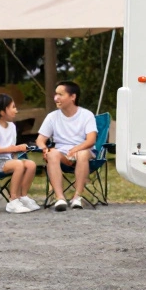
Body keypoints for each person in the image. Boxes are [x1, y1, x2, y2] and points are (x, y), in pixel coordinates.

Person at [36, 81, 97, 212]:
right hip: (62, 154)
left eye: (60, 94)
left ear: (72, 97)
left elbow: (91, 140)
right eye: (55, 94)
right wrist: (44, 148)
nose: (56, 98)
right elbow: (40, 140)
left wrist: (76, 149)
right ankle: (60, 198)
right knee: (52, 153)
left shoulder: (86, 115)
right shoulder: (52, 117)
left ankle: (77, 197)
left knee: (82, 153)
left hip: (83, 151)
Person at [0, 93, 39, 214]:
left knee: (31, 164)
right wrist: (15, 149)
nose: (16, 110)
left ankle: (22, 197)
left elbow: (12, 149)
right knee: (18, 165)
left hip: (8, 160)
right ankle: (13, 200)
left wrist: (18, 151)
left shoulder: (12, 127)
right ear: (3, 112)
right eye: (13, 107)